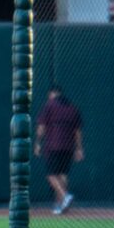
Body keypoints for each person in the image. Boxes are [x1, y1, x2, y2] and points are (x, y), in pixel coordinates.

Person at [35, 85, 84, 215]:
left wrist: (38, 143)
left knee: (51, 175)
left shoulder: (49, 106)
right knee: (62, 174)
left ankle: (65, 196)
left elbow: (41, 127)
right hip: (68, 146)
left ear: (52, 94)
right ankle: (60, 205)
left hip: (53, 145)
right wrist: (79, 148)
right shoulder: (72, 108)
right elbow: (77, 131)